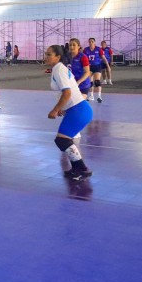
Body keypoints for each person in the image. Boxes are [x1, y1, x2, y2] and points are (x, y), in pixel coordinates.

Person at [43, 44, 93, 181]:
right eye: (46, 54)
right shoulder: (58, 69)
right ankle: (76, 168)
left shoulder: (59, 69)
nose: (46, 57)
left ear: (58, 57)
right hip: (76, 109)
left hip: (79, 110)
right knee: (64, 140)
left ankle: (82, 169)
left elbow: (67, 92)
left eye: (49, 54)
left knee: (62, 140)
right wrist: (62, 108)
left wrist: (55, 109)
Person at [83, 37, 107, 103]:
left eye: (92, 41)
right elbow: (84, 58)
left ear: (94, 42)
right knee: (90, 82)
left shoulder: (98, 49)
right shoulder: (86, 49)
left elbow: (103, 57)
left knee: (97, 81)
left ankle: (99, 96)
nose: (91, 43)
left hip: (97, 66)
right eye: (90, 42)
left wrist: (107, 65)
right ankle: (91, 96)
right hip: (89, 67)